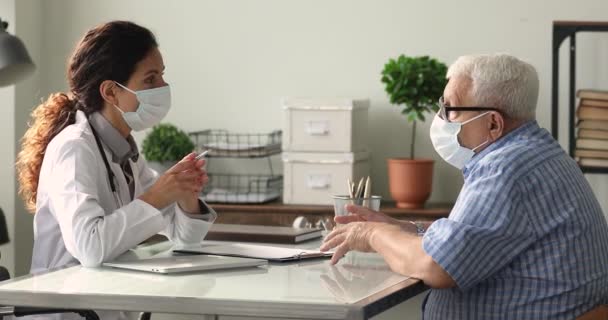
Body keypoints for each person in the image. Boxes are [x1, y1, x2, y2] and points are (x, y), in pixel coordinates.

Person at [321, 54, 608, 319]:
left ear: (493, 123)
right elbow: (483, 239)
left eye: (450, 109)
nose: (441, 119)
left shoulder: (505, 168)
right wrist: (404, 230)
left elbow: (436, 266)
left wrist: (370, 234)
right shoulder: (536, 153)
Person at [16, 21, 216, 319]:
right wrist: (157, 197)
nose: (163, 87)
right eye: (150, 79)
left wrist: (185, 195)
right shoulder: (74, 148)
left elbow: (185, 241)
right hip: (68, 312)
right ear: (111, 92)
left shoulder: (125, 151)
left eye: (162, 75)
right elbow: (90, 247)